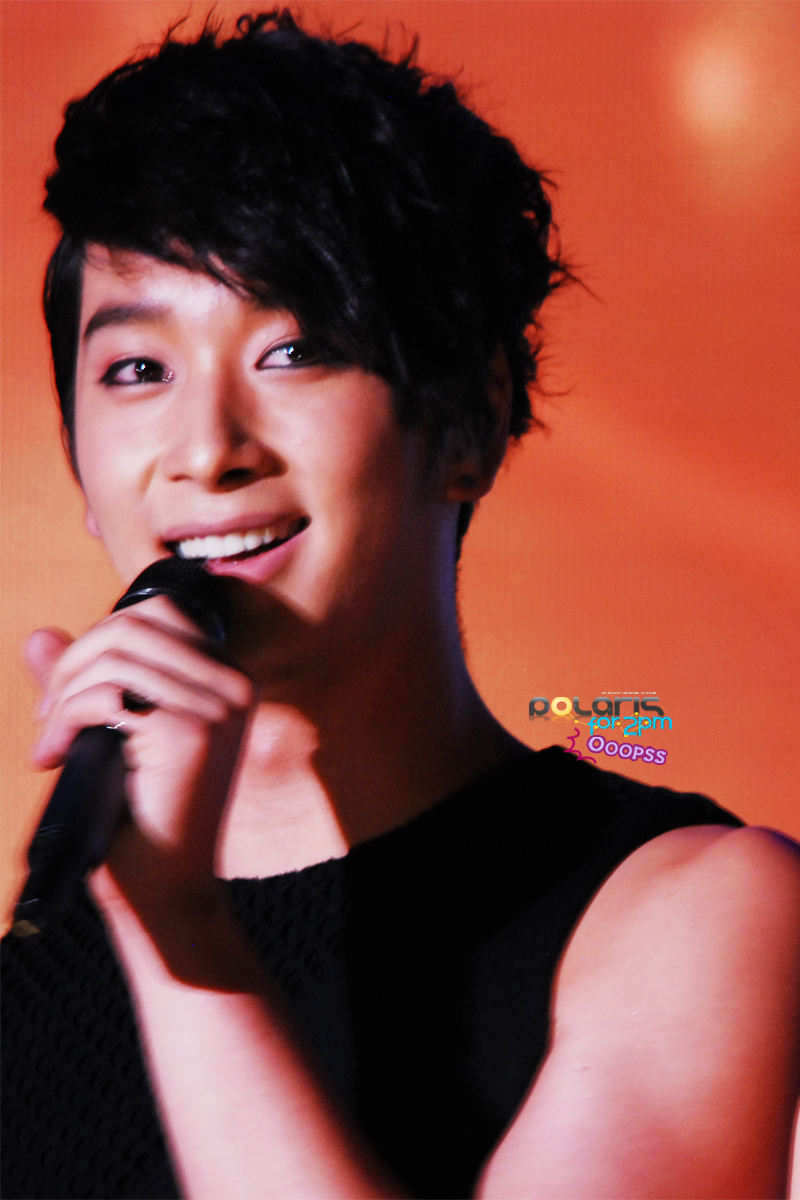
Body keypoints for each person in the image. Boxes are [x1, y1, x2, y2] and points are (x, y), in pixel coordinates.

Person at [3, 11, 800, 1200]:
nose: (206, 449)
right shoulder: (38, 971)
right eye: (137, 370)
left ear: (469, 419)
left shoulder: (685, 912)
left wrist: (186, 949)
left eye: (292, 352)